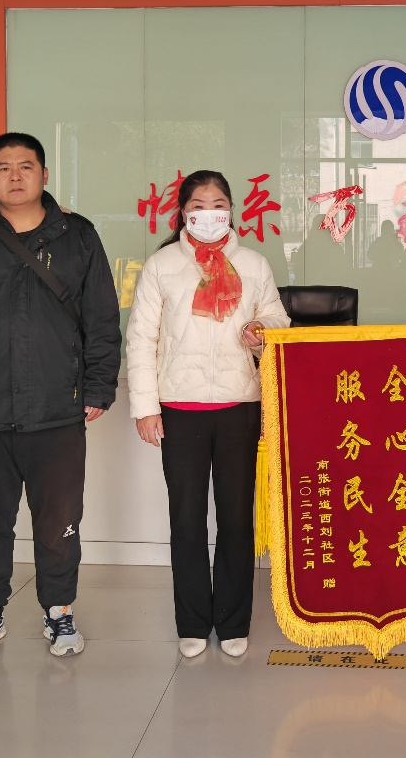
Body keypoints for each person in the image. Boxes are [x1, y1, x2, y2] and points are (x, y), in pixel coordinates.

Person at [0, 132, 122, 661]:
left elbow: (102, 319)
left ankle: (59, 610)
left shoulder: (78, 236)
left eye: (26, 165)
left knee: (59, 523)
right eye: (3, 167)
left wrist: (99, 386)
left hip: (57, 411)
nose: (15, 175)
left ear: (44, 174)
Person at [126, 170, 289, 659]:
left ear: (232, 210)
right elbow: (141, 339)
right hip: (180, 409)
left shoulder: (253, 264)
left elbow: (279, 319)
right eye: (199, 205)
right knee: (187, 519)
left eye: (218, 204)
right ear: (183, 213)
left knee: (237, 519)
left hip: (240, 406)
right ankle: (193, 622)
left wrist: (262, 330)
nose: (209, 213)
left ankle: (234, 621)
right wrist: (145, 408)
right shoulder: (162, 265)